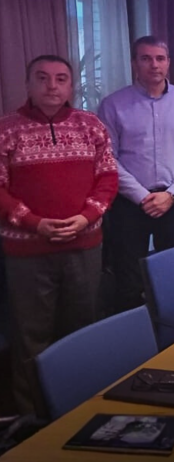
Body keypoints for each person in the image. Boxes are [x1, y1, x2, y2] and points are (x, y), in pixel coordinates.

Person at [0, 55, 118, 415]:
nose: (52, 86)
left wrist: (86, 217)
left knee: (81, 332)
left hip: (84, 246)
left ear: (71, 86)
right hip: (27, 252)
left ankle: (80, 409)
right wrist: (33, 221)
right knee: (30, 338)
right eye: (43, 78)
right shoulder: (6, 129)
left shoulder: (91, 125)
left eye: (61, 79)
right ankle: (31, 417)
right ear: (29, 85)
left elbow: (108, 178)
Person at [98, 36, 174, 311]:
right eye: (146, 58)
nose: (154, 65)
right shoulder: (113, 105)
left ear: (168, 63)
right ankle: (133, 341)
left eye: (160, 58)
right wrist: (142, 196)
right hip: (130, 204)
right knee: (129, 279)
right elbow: (107, 158)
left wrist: (171, 194)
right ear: (135, 63)